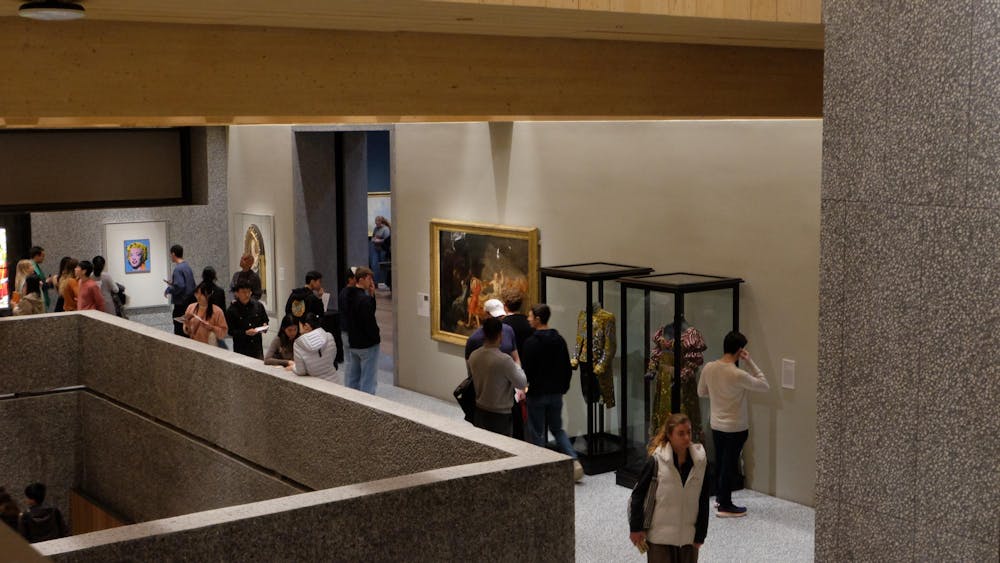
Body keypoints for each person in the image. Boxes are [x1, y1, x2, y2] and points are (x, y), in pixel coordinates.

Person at [697, 330, 769, 518]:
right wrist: (750, 361)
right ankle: (725, 505)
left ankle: (721, 498)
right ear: (740, 350)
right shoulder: (738, 374)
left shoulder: (709, 367)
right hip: (736, 427)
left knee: (721, 462)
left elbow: (701, 392)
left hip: (716, 424)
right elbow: (764, 384)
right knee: (729, 465)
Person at [628, 413, 709, 562]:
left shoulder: (700, 462)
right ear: (670, 436)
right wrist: (635, 528)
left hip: (688, 538)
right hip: (660, 539)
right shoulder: (655, 461)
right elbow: (638, 496)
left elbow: (703, 499)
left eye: (688, 432)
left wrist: (701, 534)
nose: (686, 438)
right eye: (681, 433)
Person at [521, 303, 583, 481]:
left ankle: (542, 468)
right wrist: (563, 388)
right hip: (556, 394)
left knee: (538, 432)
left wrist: (527, 388)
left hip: (537, 394)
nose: (528, 319)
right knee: (558, 429)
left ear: (538, 319)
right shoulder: (559, 340)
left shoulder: (531, 343)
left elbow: (527, 370)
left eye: (531, 316)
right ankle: (574, 461)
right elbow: (566, 368)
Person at [467, 317, 527, 437]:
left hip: (480, 409)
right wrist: (518, 366)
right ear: (500, 335)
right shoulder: (504, 360)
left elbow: (471, 377)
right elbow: (521, 383)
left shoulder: (474, 356)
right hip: (501, 414)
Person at [343, 266, 380, 395]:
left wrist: (372, 295)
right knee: (368, 381)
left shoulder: (348, 296)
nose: (371, 282)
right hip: (367, 345)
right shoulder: (364, 300)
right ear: (362, 279)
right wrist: (376, 338)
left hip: (354, 342)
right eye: (369, 279)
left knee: (353, 378)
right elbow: (370, 321)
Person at [226, 280, 269, 359]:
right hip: (241, 349)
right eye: (243, 292)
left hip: (257, 348)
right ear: (237, 293)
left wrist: (264, 325)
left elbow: (265, 320)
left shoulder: (258, 306)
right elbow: (230, 331)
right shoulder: (232, 310)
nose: (246, 295)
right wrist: (245, 333)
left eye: (249, 292)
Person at [292, 312, 337, 381]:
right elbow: (333, 357)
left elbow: (301, 371)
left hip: (316, 386)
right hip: (335, 382)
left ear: (306, 326)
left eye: (300, 326)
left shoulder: (298, 344)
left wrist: (293, 366)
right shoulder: (329, 336)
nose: (299, 330)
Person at [164, 244, 196, 337]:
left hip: (181, 305)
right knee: (188, 330)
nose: (171, 257)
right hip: (189, 303)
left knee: (180, 331)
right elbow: (188, 284)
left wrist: (169, 289)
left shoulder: (178, 269)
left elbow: (180, 286)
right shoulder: (187, 266)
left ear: (173, 254)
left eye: (171, 255)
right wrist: (173, 283)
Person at [337, 269, 356, 373]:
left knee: (349, 360)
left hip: (345, 330)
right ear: (350, 279)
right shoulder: (349, 293)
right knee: (351, 361)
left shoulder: (344, 292)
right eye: (355, 278)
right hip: (349, 331)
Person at [29, 246, 55, 311]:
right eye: (42, 256)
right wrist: (47, 282)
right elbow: (35, 284)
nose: (43, 258)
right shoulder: (31, 267)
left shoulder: (35, 266)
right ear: (36, 256)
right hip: (36, 297)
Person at [370, 216, 390, 286]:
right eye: (375, 222)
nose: (376, 224)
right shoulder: (376, 228)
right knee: (374, 265)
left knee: (383, 267)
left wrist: (379, 240)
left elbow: (387, 240)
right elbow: (373, 237)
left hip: (383, 250)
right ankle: (375, 283)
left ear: (381, 222)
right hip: (376, 249)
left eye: (377, 222)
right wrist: (373, 239)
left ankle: (384, 283)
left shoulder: (386, 229)